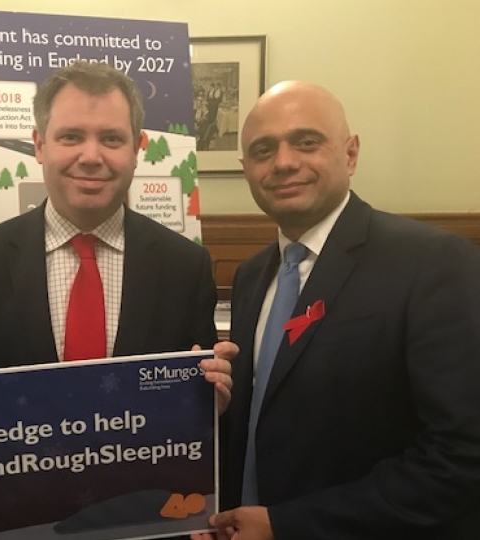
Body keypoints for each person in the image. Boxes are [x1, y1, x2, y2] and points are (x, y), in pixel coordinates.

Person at [0, 61, 235, 538]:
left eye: (111, 139)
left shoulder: (186, 267)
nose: (91, 156)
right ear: (39, 144)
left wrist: (210, 398)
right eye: (71, 136)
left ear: (137, 150)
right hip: (15, 522)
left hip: (144, 523)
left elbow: (193, 417)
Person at [198, 81, 480, 540]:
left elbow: (463, 455)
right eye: (263, 150)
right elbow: (274, 421)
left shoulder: (432, 263)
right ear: (246, 168)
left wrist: (287, 526)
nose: (284, 162)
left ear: (349, 154)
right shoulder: (251, 277)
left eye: (307, 142)